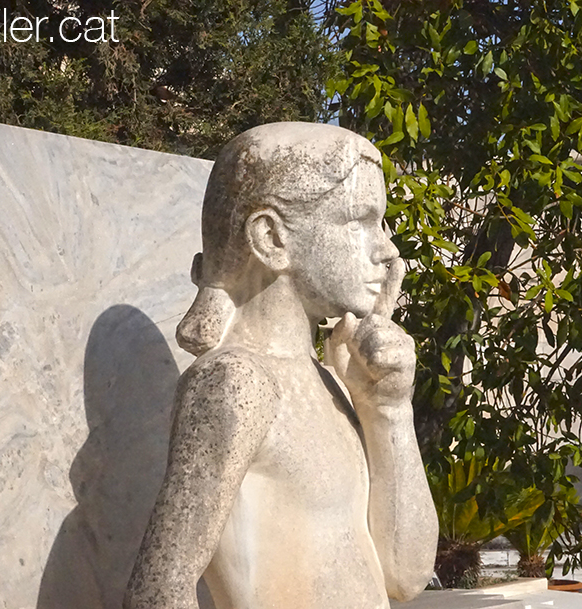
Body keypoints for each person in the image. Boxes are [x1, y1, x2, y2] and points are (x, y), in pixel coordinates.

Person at [124, 122, 438, 609]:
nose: (387, 249)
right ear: (271, 238)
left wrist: (388, 407)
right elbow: (158, 590)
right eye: (362, 221)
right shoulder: (234, 383)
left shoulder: (329, 379)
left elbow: (406, 576)